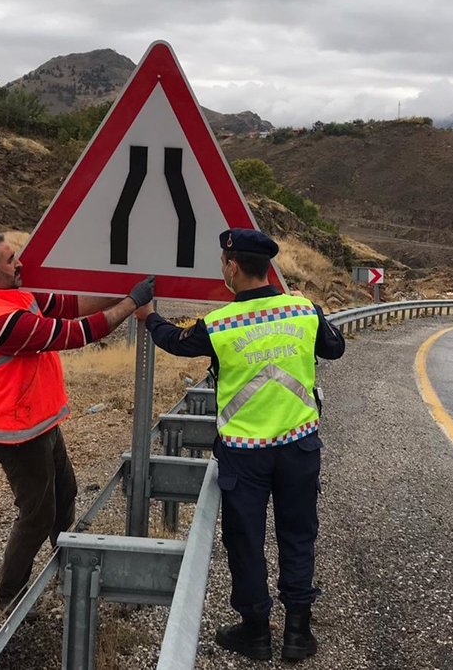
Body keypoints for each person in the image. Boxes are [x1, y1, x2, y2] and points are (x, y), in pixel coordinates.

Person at [137, 228, 345, 662]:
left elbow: (173, 341)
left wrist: (149, 315)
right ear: (267, 267)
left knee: (246, 541)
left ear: (232, 267)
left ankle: (255, 631)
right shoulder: (303, 310)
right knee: (298, 535)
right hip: (299, 447)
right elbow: (335, 348)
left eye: (223, 264)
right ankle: (297, 633)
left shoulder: (219, 325)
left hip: (244, 455)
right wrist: (314, 311)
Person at [0, 231, 154, 613]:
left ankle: (66, 566)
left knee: (66, 493)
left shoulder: (17, 293)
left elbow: (71, 305)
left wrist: (121, 291)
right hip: (16, 435)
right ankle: (8, 597)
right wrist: (132, 301)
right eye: (10, 259)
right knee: (37, 515)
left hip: (40, 422)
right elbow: (76, 332)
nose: (20, 263)